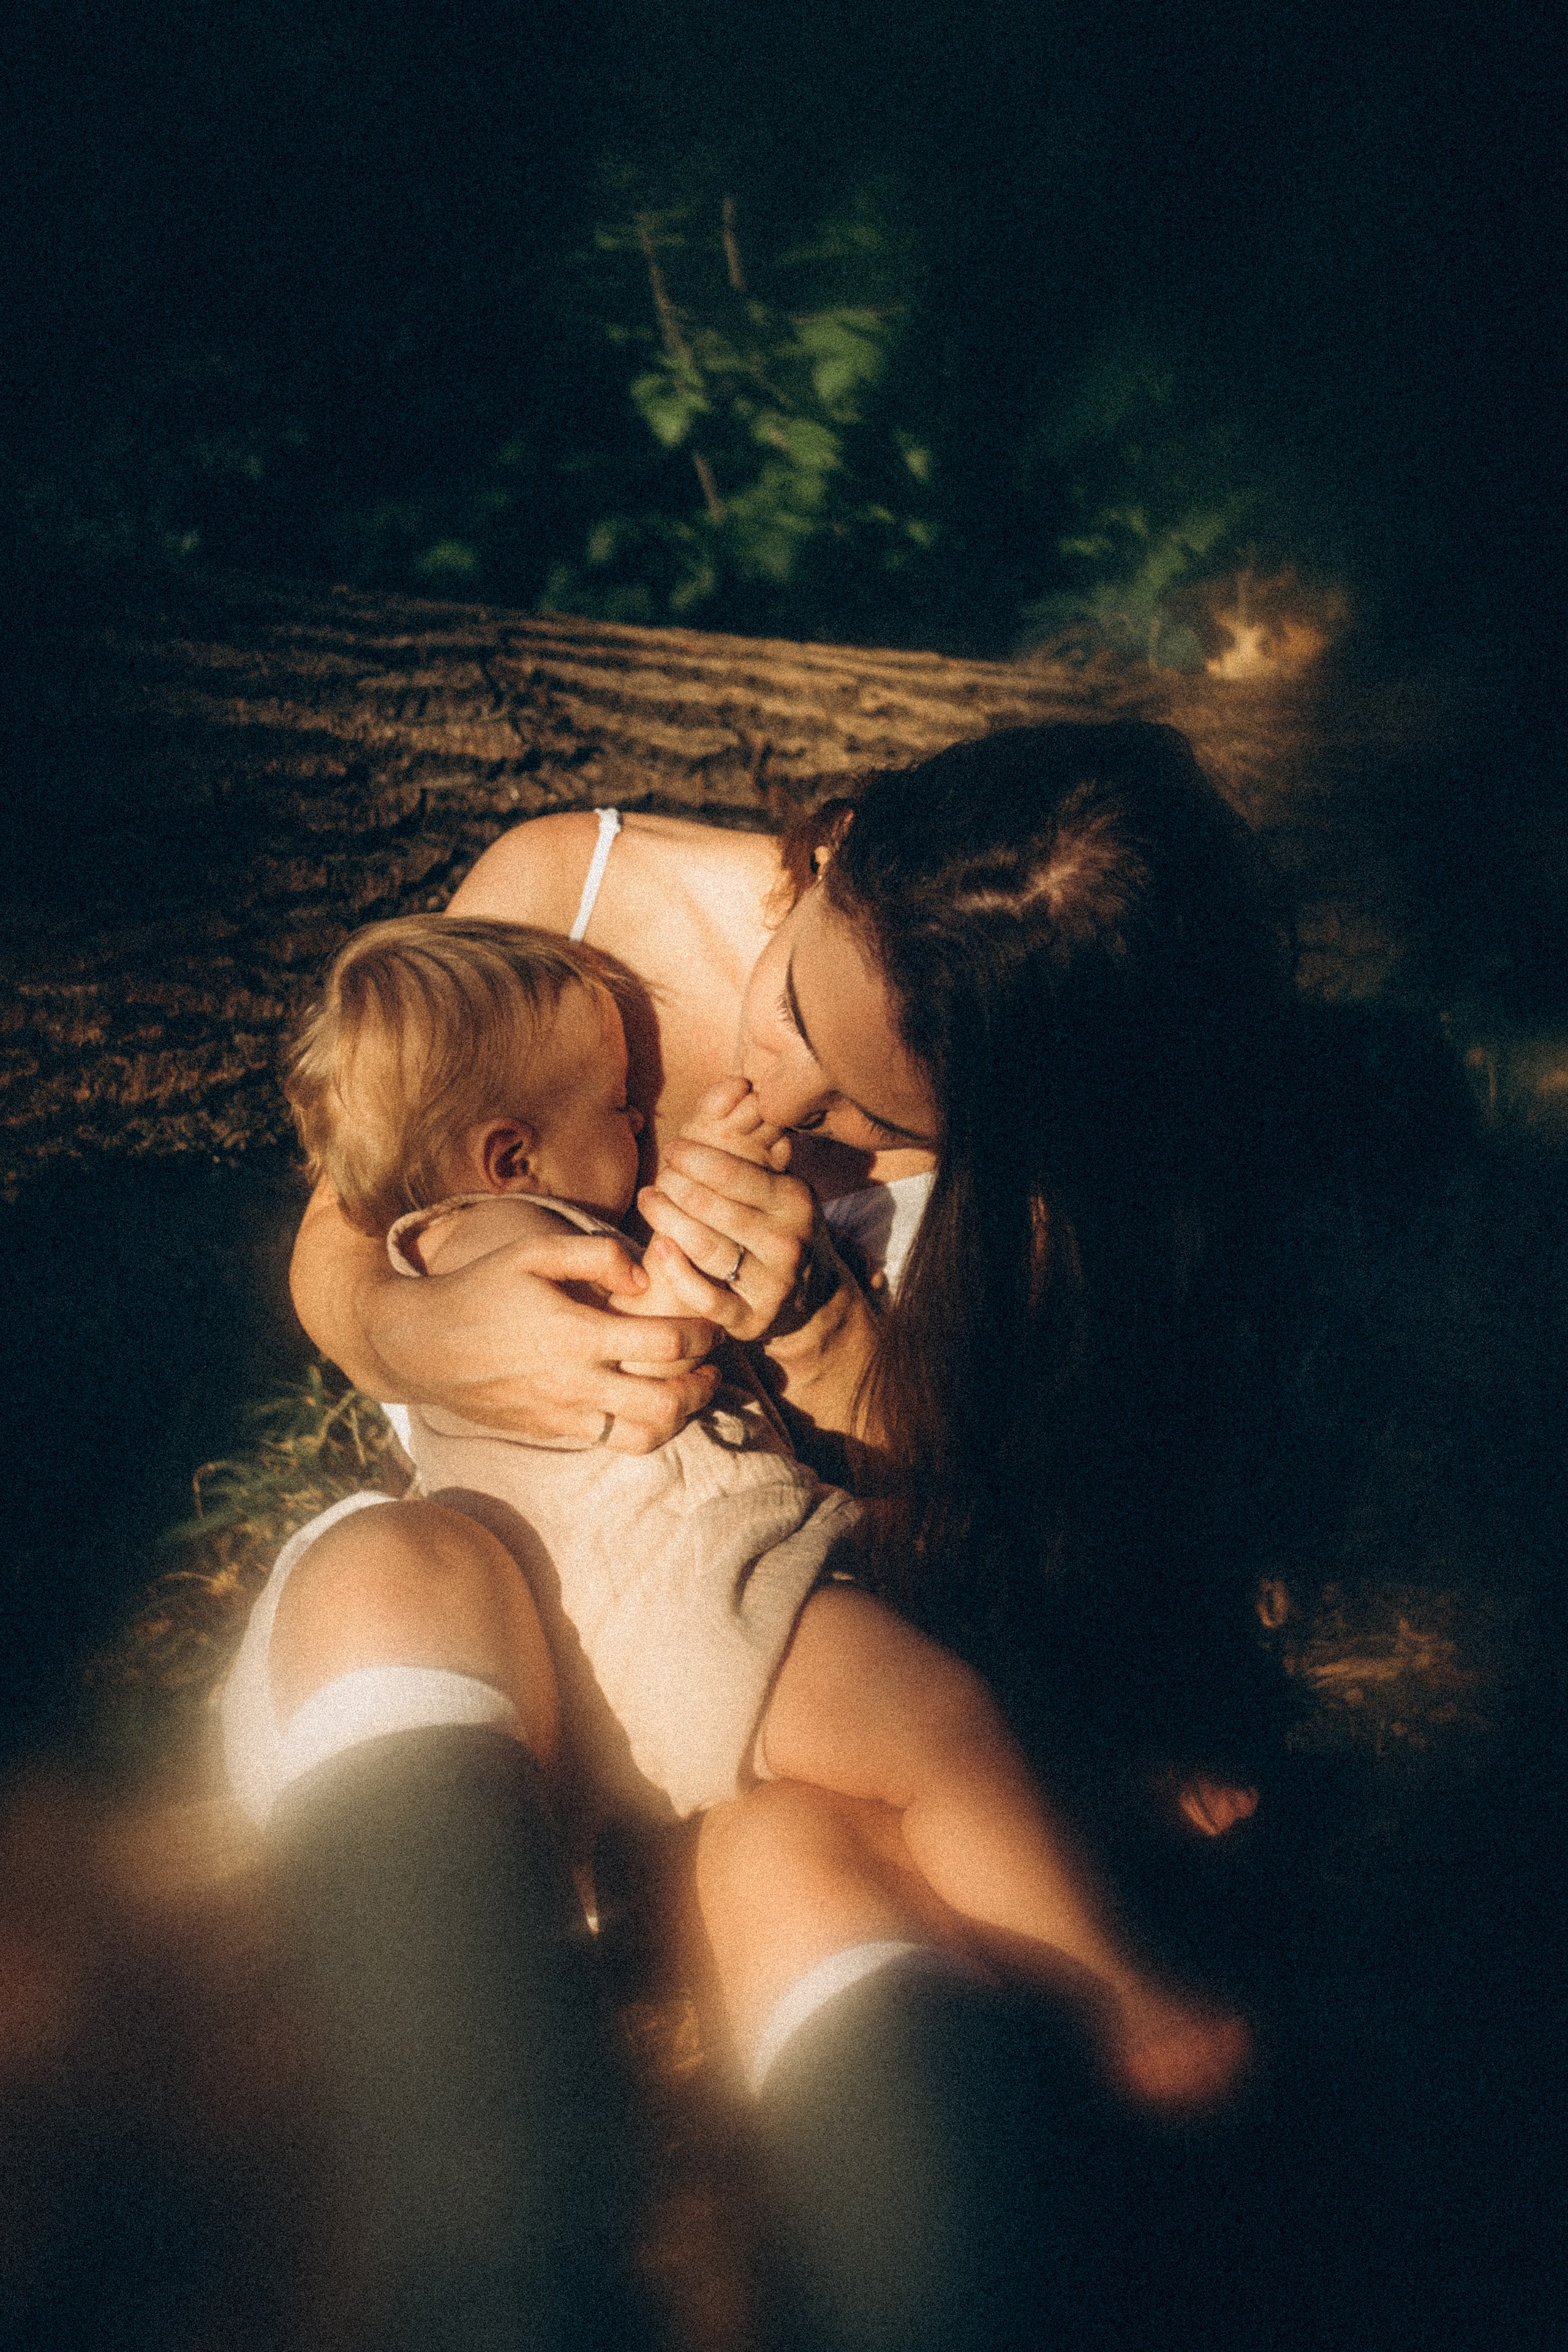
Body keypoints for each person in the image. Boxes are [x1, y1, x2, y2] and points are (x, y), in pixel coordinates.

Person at [267, 724, 1294, 2345]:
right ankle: (484, 2279)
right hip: (523, 1624)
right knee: (377, 1570)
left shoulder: (1052, 1207)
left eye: (884, 1115)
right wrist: (415, 1327)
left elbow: (981, 1554)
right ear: (836, 849)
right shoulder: (572, 898)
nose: (791, 1096)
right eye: (800, 1010)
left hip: (768, 1698)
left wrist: (820, 1336)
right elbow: (348, 1217)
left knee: (798, 1855)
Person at [227, 909, 1248, 2107]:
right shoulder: (494, 1238)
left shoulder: (455, 1238)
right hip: (701, 1606)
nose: (643, 1123)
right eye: (620, 1107)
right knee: (942, 1727)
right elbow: (647, 1333)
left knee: (919, 1732)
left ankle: (1093, 1797)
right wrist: (708, 1191)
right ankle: (1124, 1997)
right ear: (511, 1160)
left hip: (667, 1627)